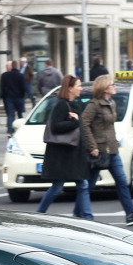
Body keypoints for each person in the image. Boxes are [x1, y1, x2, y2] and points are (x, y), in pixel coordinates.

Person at [82, 75, 133, 226]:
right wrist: (92, 146)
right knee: (88, 185)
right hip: (98, 150)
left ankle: (131, 214)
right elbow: (84, 124)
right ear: (105, 88)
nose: (114, 87)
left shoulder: (111, 103)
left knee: (122, 181)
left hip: (112, 149)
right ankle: (79, 214)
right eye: (112, 85)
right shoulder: (93, 105)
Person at [36, 76, 92, 220]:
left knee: (83, 184)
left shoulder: (74, 105)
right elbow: (55, 127)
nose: (81, 88)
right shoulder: (61, 105)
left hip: (72, 154)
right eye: (79, 86)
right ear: (70, 88)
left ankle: (86, 216)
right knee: (57, 188)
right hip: (62, 155)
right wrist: (74, 121)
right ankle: (39, 214)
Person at [0, 60, 27, 131]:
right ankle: (21, 129)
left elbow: (2, 87)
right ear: (17, 66)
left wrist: (2, 96)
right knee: (20, 114)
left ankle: (9, 130)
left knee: (10, 115)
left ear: (11, 66)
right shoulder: (20, 75)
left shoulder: (5, 75)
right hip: (18, 97)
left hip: (9, 98)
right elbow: (23, 87)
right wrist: (22, 96)